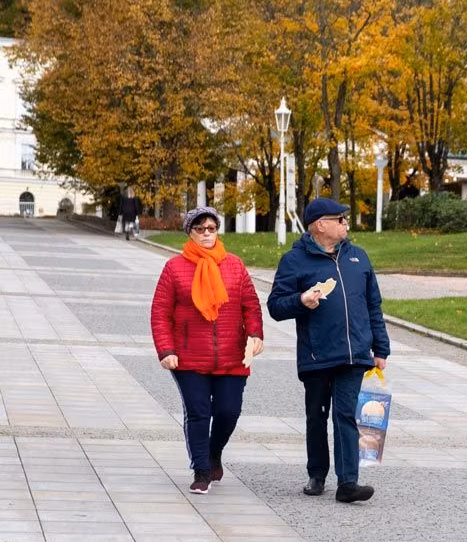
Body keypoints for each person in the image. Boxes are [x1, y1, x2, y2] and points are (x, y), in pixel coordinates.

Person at [267, 197, 390, 503]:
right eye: (341, 219)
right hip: (317, 354)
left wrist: (381, 348)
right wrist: (300, 301)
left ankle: (348, 482)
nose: (346, 224)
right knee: (317, 416)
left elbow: (373, 305)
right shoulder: (295, 261)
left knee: (345, 415)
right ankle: (317, 473)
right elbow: (275, 306)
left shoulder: (358, 258)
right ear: (321, 225)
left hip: (354, 354)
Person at [150, 206, 264, 494]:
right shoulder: (174, 268)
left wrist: (255, 334)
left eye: (211, 228)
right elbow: (161, 312)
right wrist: (166, 350)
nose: (206, 234)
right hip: (189, 357)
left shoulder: (234, 265)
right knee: (199, 412)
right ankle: (201, 469)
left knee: (228, 412)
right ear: (190, 232)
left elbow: (250, 304)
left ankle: (214, 452)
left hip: (232, 355)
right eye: (200, 229)